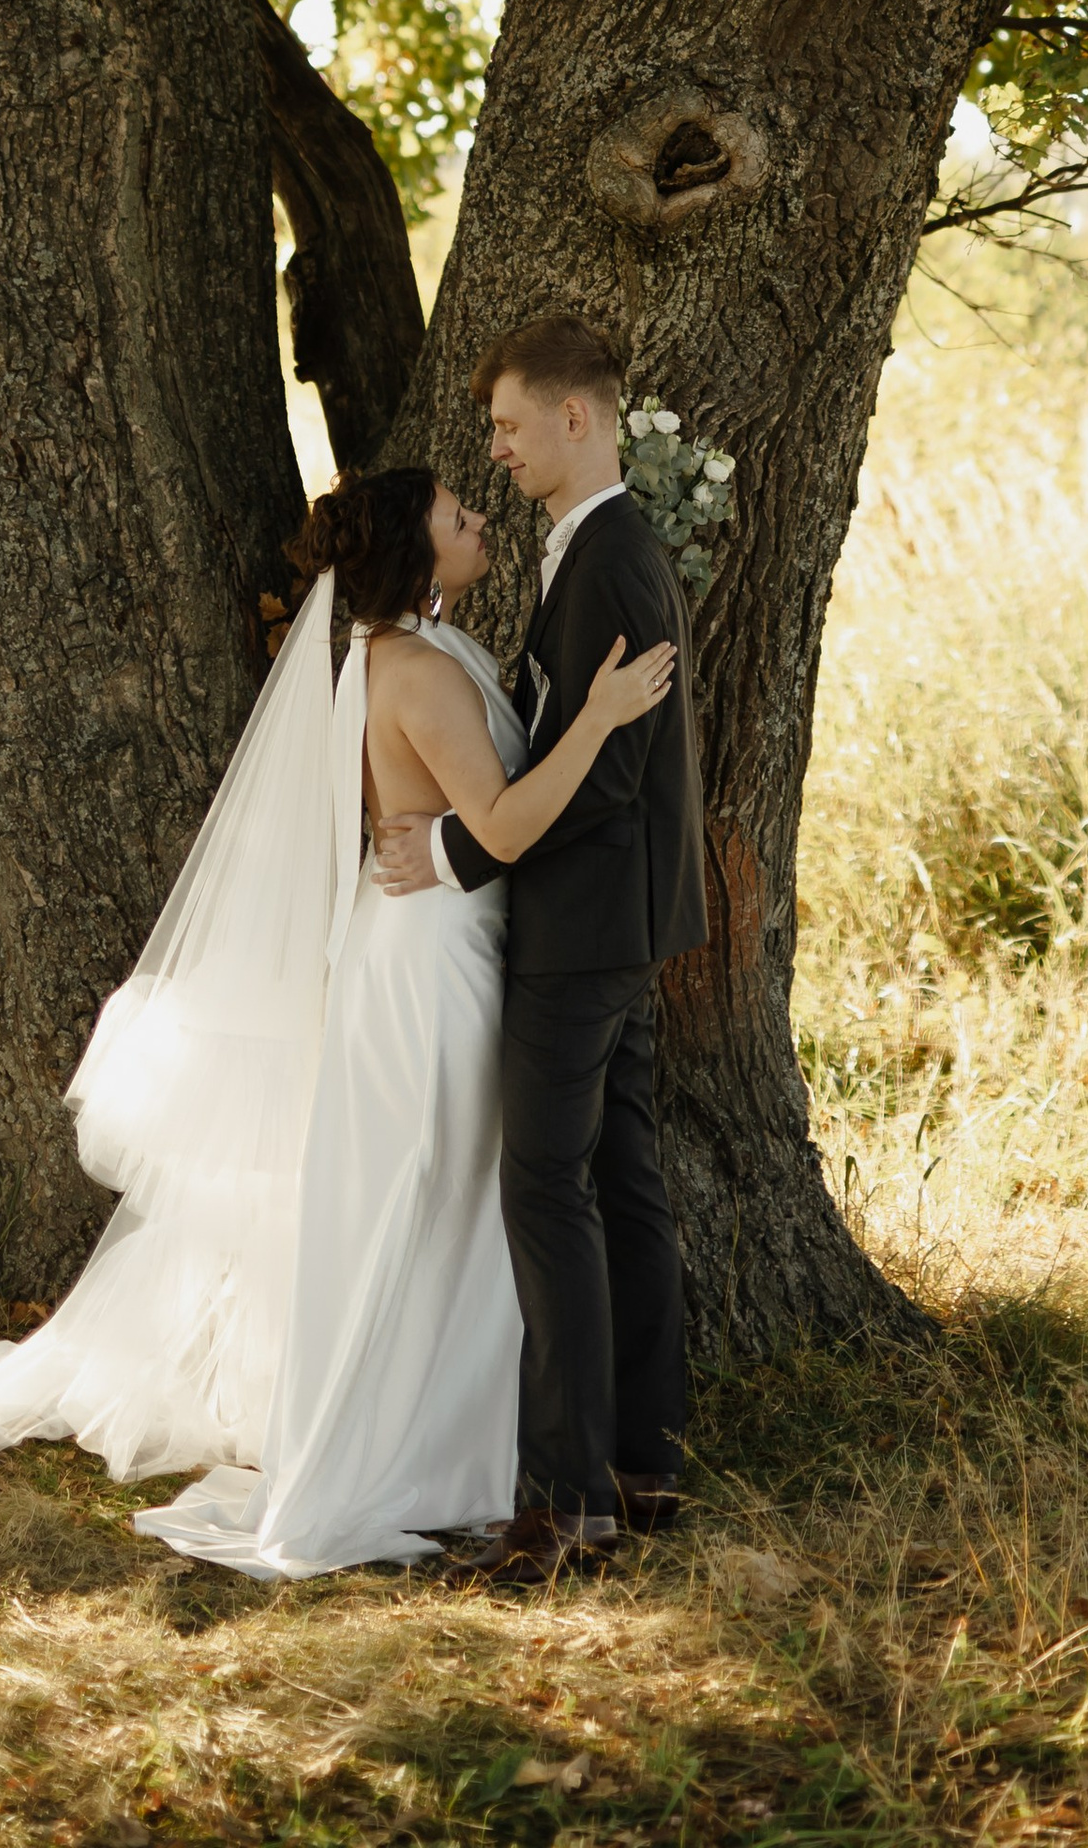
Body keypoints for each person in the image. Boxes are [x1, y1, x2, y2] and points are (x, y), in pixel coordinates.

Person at [0, 467, 674, 1582]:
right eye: (455, 516)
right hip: (433, 965)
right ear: (415, 554)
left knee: (453, 1200)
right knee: (433, 1197)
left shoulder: (420, 649)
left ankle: (465, 1443)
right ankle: (422, 1454)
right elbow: (505, 828)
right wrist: (600, 720)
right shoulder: (416, 670)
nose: (478, 517)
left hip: (444, 943)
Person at [373, 310, 706, 1586]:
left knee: (546, 1195)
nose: (499, 449)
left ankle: (568, 1504)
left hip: (581, 931)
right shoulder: (594, 548)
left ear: (577, 417)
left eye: (512, 425)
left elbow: (607, 777)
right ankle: (643, 1462)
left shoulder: (612, 559)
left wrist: (459, 853)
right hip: (617, 920)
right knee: (620, 1183)